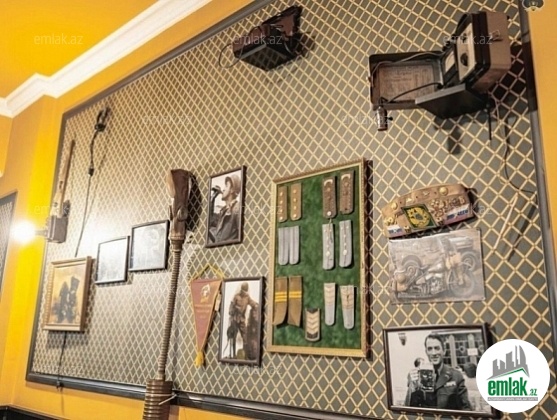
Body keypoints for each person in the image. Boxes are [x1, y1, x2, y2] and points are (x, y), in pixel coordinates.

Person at [227, 282, 258, 359]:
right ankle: (233, 355)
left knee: (245, 336)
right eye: (242, 291)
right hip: (234, 319)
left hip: (242, 320)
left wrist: (257, 305)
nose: (243, 292)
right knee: (233, 337)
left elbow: (253, 303)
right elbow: (230, 308)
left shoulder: (247, 297)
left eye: (245, 291)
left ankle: (246, 355)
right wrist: (233, 310)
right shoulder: (236, 297)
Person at [208, 174, 241, 244]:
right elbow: (210, 222)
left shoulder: (237, 208)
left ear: (232, 190)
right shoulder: (223, 211)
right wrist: (213, 198)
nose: (223, 189)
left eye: (226, 186)